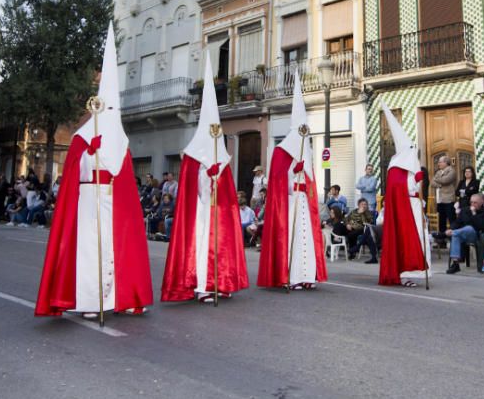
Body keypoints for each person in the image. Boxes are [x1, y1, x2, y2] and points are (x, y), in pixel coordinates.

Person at [36, 23, 153, 319]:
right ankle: (89, 300)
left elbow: (124, 178)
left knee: (116, 248)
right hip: (88, 199)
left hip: (114, 200)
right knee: (88, 248)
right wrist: (90, 152)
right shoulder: (82, 137)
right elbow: (75, 171)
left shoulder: (121, 140)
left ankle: (119, 296)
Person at [161, 60, 249, 304]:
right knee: (202, 247)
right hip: (201, 211)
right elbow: (196, 190)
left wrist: (217, 174)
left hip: (219, 210)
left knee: (220, 247)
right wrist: (207, 175)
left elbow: (228, 191)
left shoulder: (220, 153)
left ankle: (220, 282)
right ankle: (202, 285)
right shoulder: (194, 158)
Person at [257, 73, 327, 289]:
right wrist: (291, 171)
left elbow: (311, 179)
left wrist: (305, 178)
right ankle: (292, 276)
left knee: (306, 236)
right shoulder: (281, 152)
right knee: (293, 238)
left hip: (304, 200)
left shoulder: (306, 150)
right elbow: (278, 182)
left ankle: (307, 276)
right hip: (289, 203)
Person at [378, 105, 431, 288]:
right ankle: (404, 273)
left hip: (416, 207)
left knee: (420, 235)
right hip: (404, 209)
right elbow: (396, 191)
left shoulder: (413, 167)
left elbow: (417, 189)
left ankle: (419, 271)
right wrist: (413, 183)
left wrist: (419, 181)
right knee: (406, 239)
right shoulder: (395, 169)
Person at [445, 193, 484, 274]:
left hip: (477, 236)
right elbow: (457, 222)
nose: (473, 204)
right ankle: (456, 264)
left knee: (468, 228)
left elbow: (481, 226)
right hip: (462, 234)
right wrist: (451, 229)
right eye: (471, 202)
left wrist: (474, 214)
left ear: (482, 202)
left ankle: (445, 234)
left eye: (475, 202)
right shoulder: (465, 210)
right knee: (456, 236)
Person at [346, 199, 378, 263]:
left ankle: (353, 252)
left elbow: (370, 222)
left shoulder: (368, 213)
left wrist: (362, 213)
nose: (364, 206)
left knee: (352, 234)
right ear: (358, 205)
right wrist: (347, 224)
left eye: (365, 204)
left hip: (363, 229)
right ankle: (353, 251)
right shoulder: (354, 211)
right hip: (352, 228)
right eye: (362, 204)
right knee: (350, 233)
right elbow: (347, 218)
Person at [430, 154, 457, 229]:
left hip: (448, 199)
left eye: (440, 162)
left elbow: (446, 180)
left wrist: (437, 179)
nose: (438, 164)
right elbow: (432, 182)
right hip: (440, 200)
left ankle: (453, 236)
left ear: (446, 162)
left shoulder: (451, 170)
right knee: (441, 219)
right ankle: (442, 237)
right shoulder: (438, 172)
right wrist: (440, 185)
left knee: (451, 218)